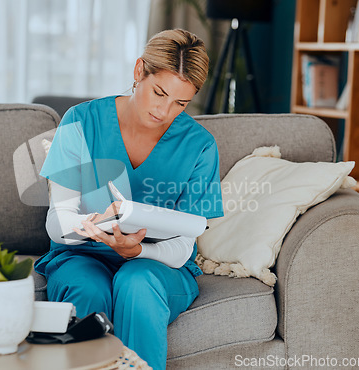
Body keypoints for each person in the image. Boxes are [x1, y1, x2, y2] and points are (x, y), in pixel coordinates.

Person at [34, 28, 224, 370]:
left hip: (159, 267)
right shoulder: (81, 121)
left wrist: (139, 251)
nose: (164, 111)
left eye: (180, 103)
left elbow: (183, 246)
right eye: (159, 93)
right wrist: (89, 227)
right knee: (87, 287)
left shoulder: (200, 146)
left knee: (137, 282)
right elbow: (56, 223)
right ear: (140, 72)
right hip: (81, 255)